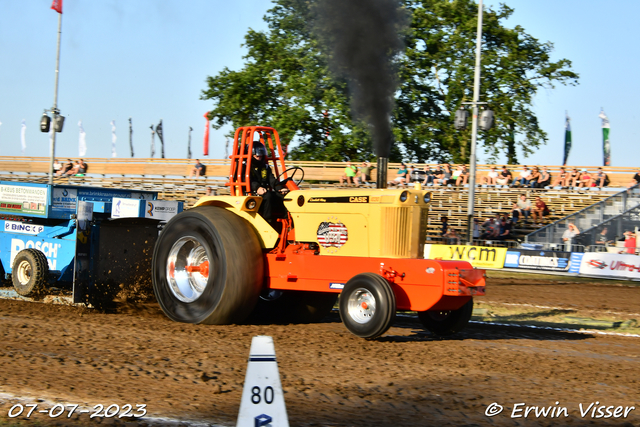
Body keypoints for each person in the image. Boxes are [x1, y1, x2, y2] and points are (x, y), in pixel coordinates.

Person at [250, 142, 287, 225]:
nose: (259, 158)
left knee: (283, 197)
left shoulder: (265, 167)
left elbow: (272, 180)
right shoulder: (246, 167)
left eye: (261, 156)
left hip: (264, 191)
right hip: (252, 192)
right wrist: (257, 188)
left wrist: (280, 188)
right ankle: (268, 222)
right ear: (252, 155)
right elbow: (249, 180)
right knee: (268, 196)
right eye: (257, 156)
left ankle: (286, 221)